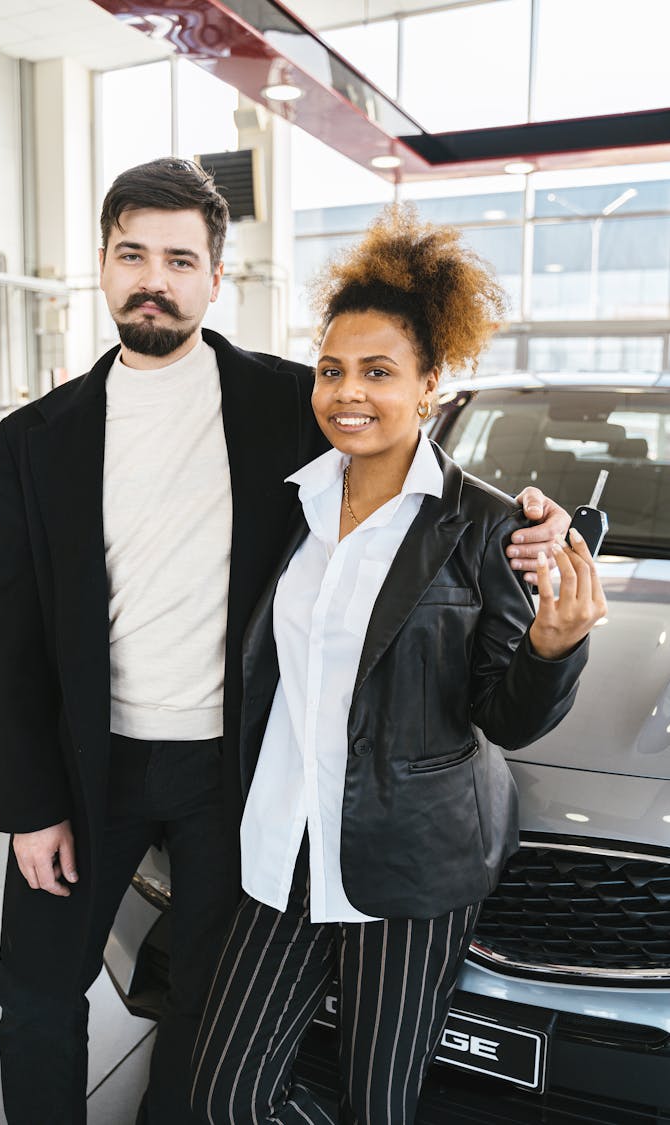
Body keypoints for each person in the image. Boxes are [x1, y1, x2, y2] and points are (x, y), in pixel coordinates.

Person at [0, 161, 568, 1125]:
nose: (154, 279)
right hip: (90, 770)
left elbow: (406, 454)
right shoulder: (35, 437)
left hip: (236, 774)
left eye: (181, 258)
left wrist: (527, 523)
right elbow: (14, 635)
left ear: (218, 278)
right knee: (36, 999)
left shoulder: (287, 402)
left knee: (199, 1007)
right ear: (102, 265)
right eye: (133, 254)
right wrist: (30, 801)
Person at [190, 207, 606, 1124]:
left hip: (407, 867)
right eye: (333, 369)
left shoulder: (486, 525)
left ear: (430, 385)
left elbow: (507, 716)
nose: (350, 392)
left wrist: (552, 644)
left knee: (377, 1101)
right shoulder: (294, 500)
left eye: (380, 371)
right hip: (281, 846)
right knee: (224, 1093)